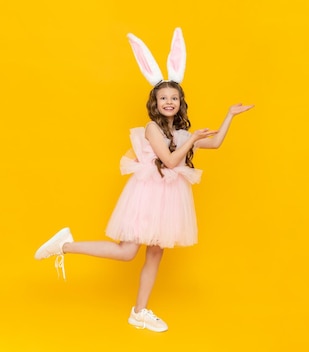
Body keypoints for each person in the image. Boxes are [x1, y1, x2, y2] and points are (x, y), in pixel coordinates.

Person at [33, 28, 253, 333]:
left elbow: (214, 144)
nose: (168, 102)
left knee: (155, 252)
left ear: (180, 102)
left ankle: (140, 311)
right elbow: (171, 160)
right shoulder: (152, 128)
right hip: (148, 194)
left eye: (174, 98)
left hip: (169, 197)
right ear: (155, 101)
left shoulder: (181, 133)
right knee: (127, 252)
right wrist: (191, 142)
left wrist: (229, 116)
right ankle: (65, 246)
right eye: (163, 97)